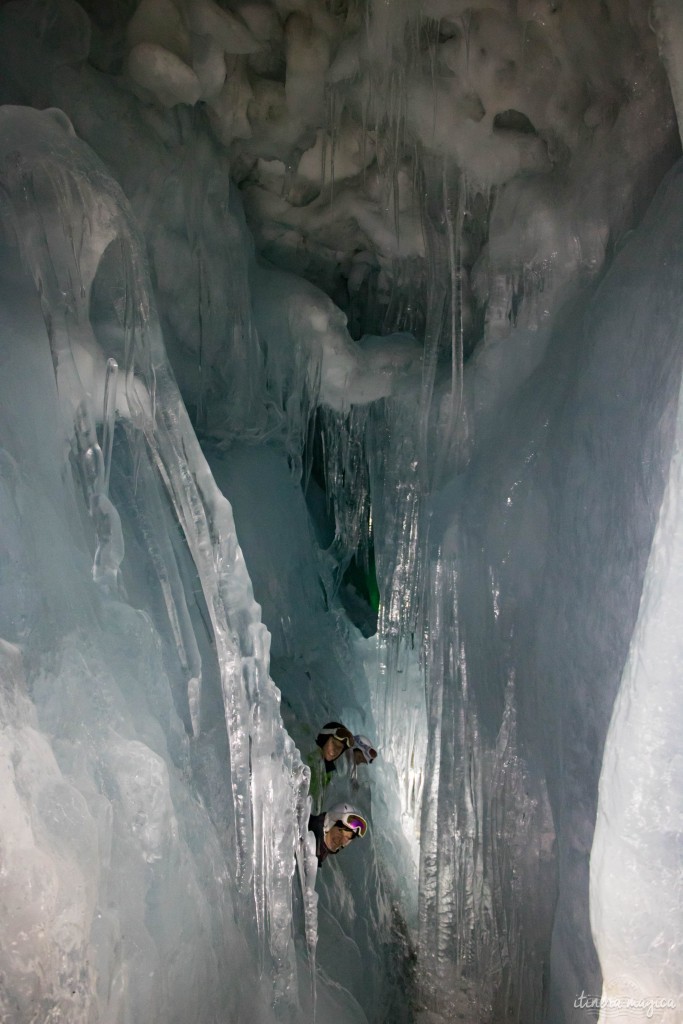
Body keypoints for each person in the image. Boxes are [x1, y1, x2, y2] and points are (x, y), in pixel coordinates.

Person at [307, 721, 354, 810]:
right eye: (333, 743)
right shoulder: (309, 757)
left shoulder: (329, 771)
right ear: (324, 739)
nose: (335, 750)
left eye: (339, 747)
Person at [308, 802, 368, 867]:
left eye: (347, 837)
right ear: (329, 822)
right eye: (340, 831)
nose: (340, 840)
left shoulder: (319, 851)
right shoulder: (309, 830)